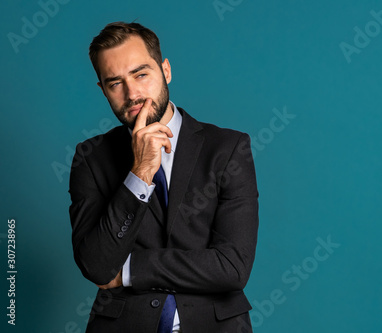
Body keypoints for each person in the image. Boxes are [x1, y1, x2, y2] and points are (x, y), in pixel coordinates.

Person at [69, 21, 259, 333]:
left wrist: (129, 270)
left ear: (165, 71)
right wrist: (140, 173)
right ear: (103, 90)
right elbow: (97, 265)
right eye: (115, 83)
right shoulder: (91, 157)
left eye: (141, 74)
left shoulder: (227, 148)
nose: (133, 94)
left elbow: (232, 267)